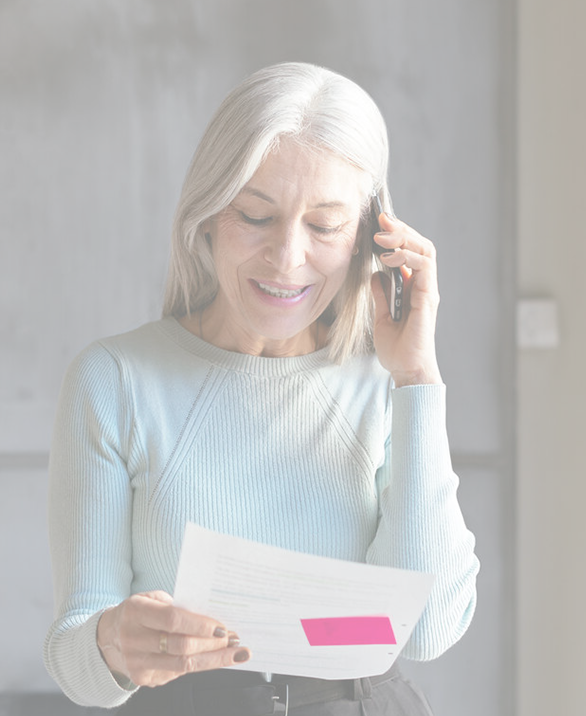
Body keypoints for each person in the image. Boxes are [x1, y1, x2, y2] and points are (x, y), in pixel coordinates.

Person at [43, 61, 479, 716]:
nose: (286, 258)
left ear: (370, 235)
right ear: (209, 214)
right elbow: (77, 657)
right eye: (255, 215)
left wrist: (417, 380)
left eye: (325, 225)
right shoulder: (116, 381)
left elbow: (424, 632)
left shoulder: (389, 385)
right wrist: (110, 642)